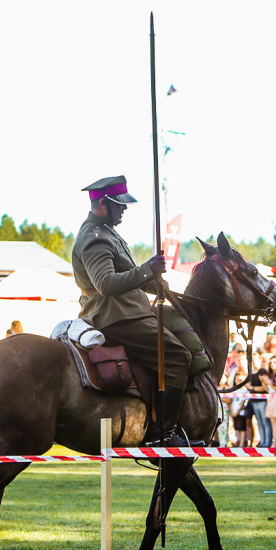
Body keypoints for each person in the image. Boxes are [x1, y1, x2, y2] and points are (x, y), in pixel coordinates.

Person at [71, 175, 192, 446]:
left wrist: (154, 284)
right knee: (177, 357)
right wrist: (148, 269)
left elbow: (126, 274)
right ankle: (163, 434)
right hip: (117, 316)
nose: (124, 209)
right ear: (102, 203)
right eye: (119, 204)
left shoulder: (108, 232)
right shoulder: (95, 238)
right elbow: (106, 283)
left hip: (127, 310)